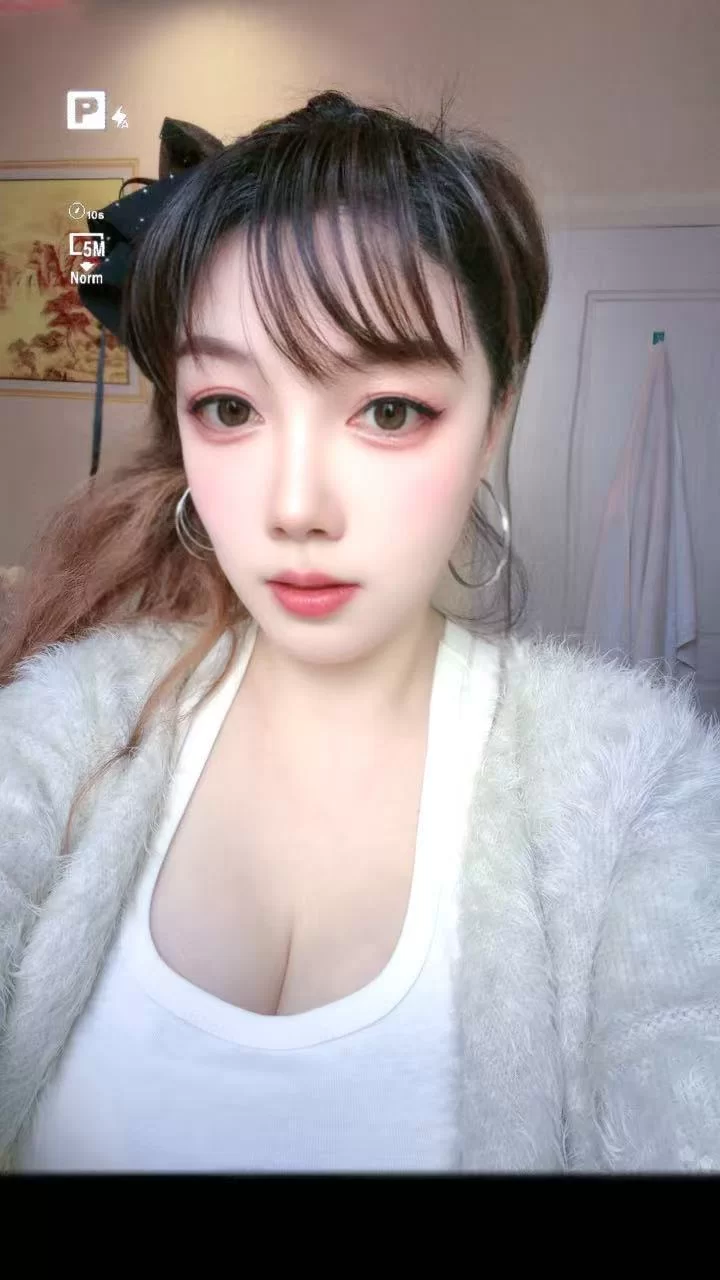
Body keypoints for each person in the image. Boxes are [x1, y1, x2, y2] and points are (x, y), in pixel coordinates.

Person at [1, 90, 719, 1175]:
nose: (296, 507)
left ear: (494, 418)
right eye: (230, 408)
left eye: (388, 410)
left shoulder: (635, 799)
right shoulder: (63, 736)